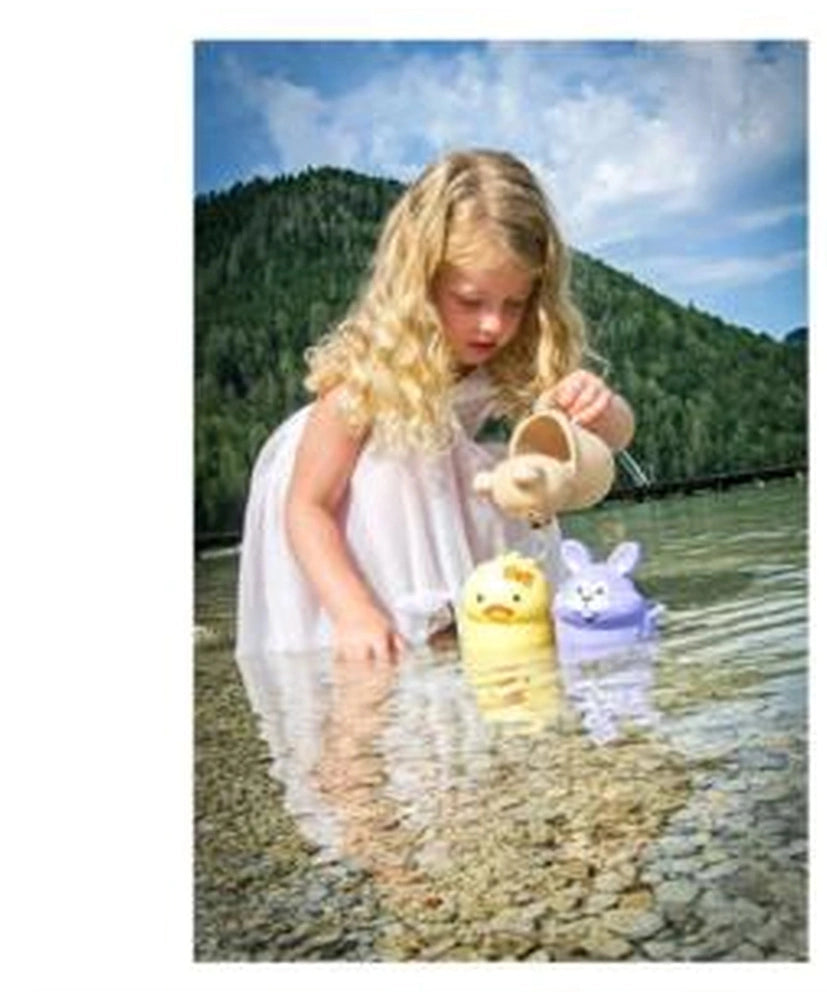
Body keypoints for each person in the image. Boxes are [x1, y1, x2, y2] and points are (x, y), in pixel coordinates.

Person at [235, 149, 635, 663]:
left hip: (462, 525)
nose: (494, 324)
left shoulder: (518, 358)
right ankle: (417, 634)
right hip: (369, 546)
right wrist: (353, 610)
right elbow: (306, 507)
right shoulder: (365, 378)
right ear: (420, 285)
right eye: (471, 301)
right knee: (398, 466)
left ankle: (480, 649)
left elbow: (617, 438)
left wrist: (602, 409)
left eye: (514, 304)